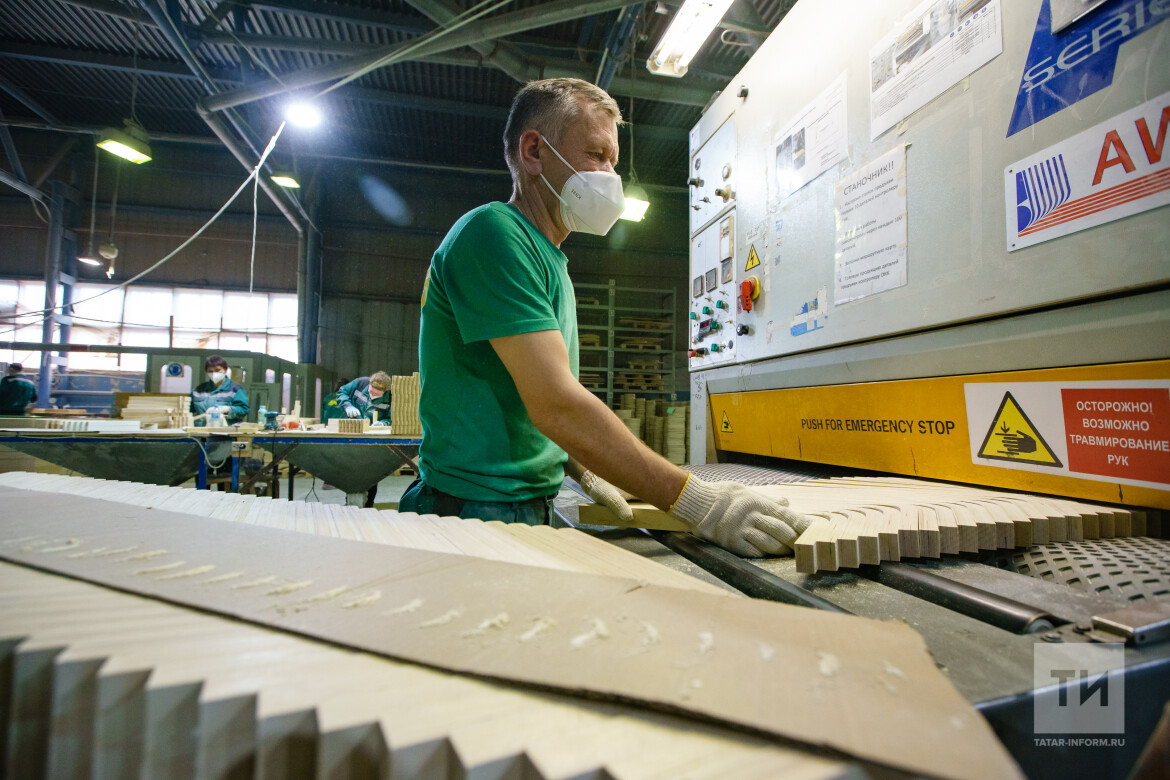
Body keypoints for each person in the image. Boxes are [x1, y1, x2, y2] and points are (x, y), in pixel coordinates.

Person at [399, 77, 812, 556]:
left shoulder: (547, 256)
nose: (609, 176)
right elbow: (556, 403)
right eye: (596, 155)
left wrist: (583, 468)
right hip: (470, 514)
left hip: (513, 505)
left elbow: (518, 398)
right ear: (533, 152)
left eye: (613, 161)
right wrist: (699, 503)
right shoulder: (493, 235)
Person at [190, 355, 249, 426]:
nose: (214, 373)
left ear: (225, 370)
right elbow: (188, 410)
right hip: (200, 431)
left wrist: (227, 409)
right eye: (210, 371)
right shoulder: (198, 390)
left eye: (217, 370)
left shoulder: (236, 389)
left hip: (226, 431)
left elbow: (244, 410)